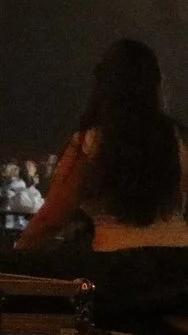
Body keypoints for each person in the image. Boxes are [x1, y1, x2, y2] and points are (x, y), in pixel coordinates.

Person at [18, 39, 188, 252]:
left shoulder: (92, 142)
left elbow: (50, 219)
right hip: (178, 262)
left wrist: (15, 258)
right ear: (156, 84)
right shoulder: (178, 138)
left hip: (119, 263)